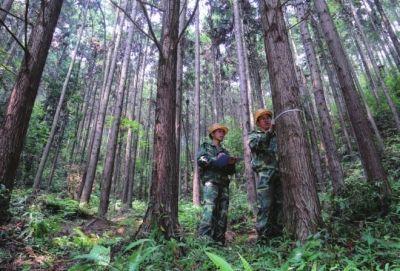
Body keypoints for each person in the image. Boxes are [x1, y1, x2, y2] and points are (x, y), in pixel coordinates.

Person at [197, 123, 238, 244]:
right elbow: (201, 160)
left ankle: (219, 241)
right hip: (211, 183)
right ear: (213, 134)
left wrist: (231, 163)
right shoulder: (206, 146)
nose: (222, 134)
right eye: (219, 131)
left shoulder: (225, 151)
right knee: (209, 210)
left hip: (224, 184)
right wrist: (216, 160)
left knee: (223, 213)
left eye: (223, 132)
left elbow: (231, 171)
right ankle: (204, 241)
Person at [248, 109, 283, 240]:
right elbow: (255, 145)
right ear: (258, 122)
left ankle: (277, 234)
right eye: (263, 118)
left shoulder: (275, 135)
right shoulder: (254, 135)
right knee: (265, 205)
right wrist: (269, 133)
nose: (267, 120)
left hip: (279, 173)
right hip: (264, 174)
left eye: (268, 117)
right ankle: (263, 237)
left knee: (279, 204)